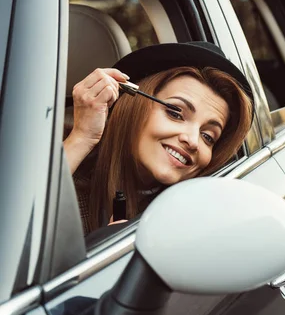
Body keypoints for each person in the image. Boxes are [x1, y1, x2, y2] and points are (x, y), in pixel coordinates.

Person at [63, 41, 254, 235]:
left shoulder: (200, 213)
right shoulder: (64, 173)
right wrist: (82, 136)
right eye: (175, 114)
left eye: (208, 136)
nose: (193, 141)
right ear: (132, 106)